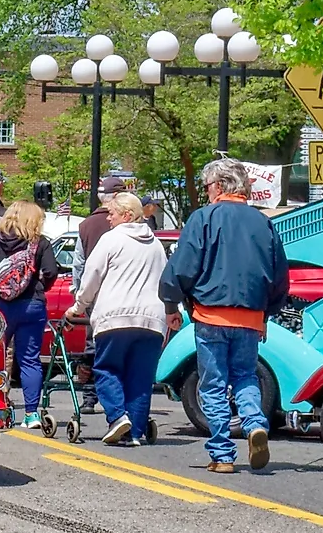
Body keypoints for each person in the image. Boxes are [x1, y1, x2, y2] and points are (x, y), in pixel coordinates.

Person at [162, 158, 291, 473]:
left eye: (207, 187)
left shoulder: (204, 218)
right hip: (250, 317)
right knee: (245, 376)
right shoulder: (264, 223)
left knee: (213, 384)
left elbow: (183, 267)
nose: (207, 193)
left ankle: (222, 455)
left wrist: (170, 304)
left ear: (218, 186)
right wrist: (266, 314)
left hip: (210, 315)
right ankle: (254, 423)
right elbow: (279, 276)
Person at [65, 192, 172, 446]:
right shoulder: (155, 244)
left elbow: (91, 276)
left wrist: (78, 307)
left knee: (106, 368)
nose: (108, 218)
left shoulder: (111, 240)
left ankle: (116, 417)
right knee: (141, 376)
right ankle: (134, 432)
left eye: (112, 213)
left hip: (115, 317)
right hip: (151, 321)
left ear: (126, 215)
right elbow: (165, 280)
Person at [0, 197, 57, 429]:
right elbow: (51, 271)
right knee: (29, 360)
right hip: (32, 304)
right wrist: (41, 286)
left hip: (0, 306)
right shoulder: (39, 243)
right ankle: (31, 413)